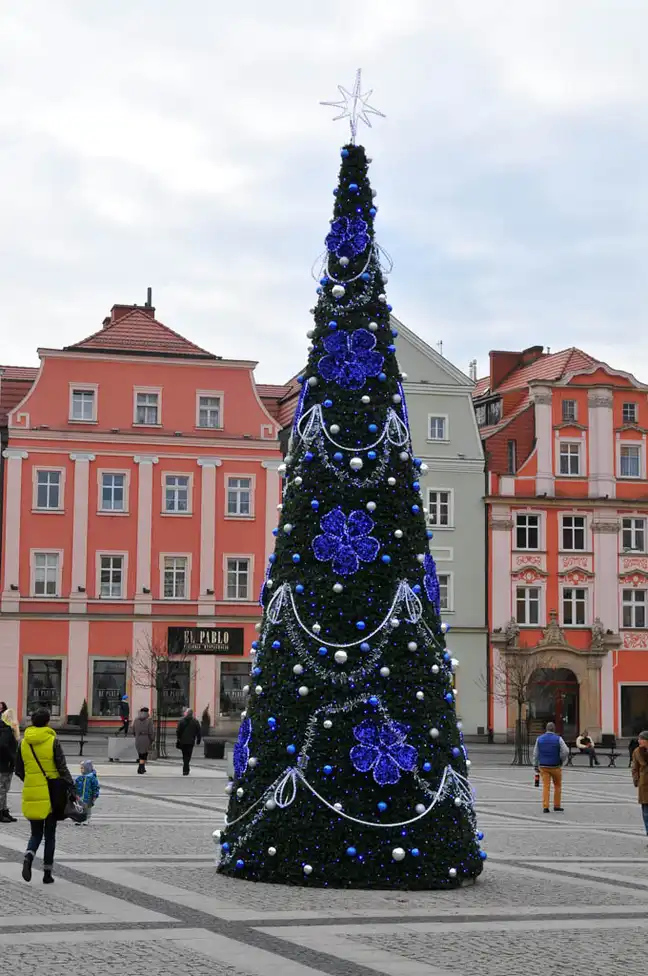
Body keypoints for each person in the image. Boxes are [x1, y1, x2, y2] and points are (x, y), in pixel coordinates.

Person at [14, 708, 73, 884]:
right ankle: (47, 874)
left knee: (35, 833)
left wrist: (31, 780)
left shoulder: (23, 743)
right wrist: (71, 786)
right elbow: (62, 767)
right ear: (47, 722)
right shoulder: (52, 740)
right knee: (50, 834)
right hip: (52, 792)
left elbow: (19, 770)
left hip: (33, 790)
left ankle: (28, 857)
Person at [533, 721, 569, 813]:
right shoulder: (558, 739)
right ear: (554, 729)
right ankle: (557, 805)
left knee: (546, 786)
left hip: (543, 766)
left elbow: (535, 753)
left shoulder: (539, 739)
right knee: (557, 785)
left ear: (546, 729)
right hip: (555, 766)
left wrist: (535, 765)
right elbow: (566, 751)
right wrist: (561, 759)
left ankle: (545, 806)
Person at [0, 707, 19, 822]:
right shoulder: (7, 730)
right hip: (4, 764)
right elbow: (3, 746)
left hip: (5, 764)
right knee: (2, 789)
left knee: (4, 789)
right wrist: (11, 757)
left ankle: (4, 810)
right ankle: (1, 812)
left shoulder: (4, 729)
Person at [631, 730, 648, 843]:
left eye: (641, 739)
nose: (638, 741)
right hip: (644, 785)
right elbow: (634, 768)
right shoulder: (637, 751)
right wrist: (636, 779)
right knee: (646, 813)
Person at [176, 708, 202, 776]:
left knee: (184, 755)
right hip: (191, 741)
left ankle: (185, 769)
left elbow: (178, 731)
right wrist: (198, 740)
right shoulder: (195, 721)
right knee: (188, 755)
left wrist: (178, 738)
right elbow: (199, 732)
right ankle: (186, 769)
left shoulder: (182, 721)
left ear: (187, 713)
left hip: (183, 741)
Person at [74, 759, 100, 825]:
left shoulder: (92, 778)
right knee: (80, 808)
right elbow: (75, 785)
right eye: (81, 768)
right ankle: (80, 819)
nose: (81, 769)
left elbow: (96, 787)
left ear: (87, 768)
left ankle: (87, 819)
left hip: (89, 796)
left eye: (82, 768)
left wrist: (95, 795)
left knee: (88, 808)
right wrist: (75, 792)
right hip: (80, 796)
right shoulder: (80, 778)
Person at [132, 706, 154, 774]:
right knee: (144, 754)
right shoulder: (149, 720)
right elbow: (151, 731)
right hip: (146, 738)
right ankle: (140, 768)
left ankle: (142, 767)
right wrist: (152, 739)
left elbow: (133, 730)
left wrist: (136, 735)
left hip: (138, 738)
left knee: (140, 754)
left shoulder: (136, 719)